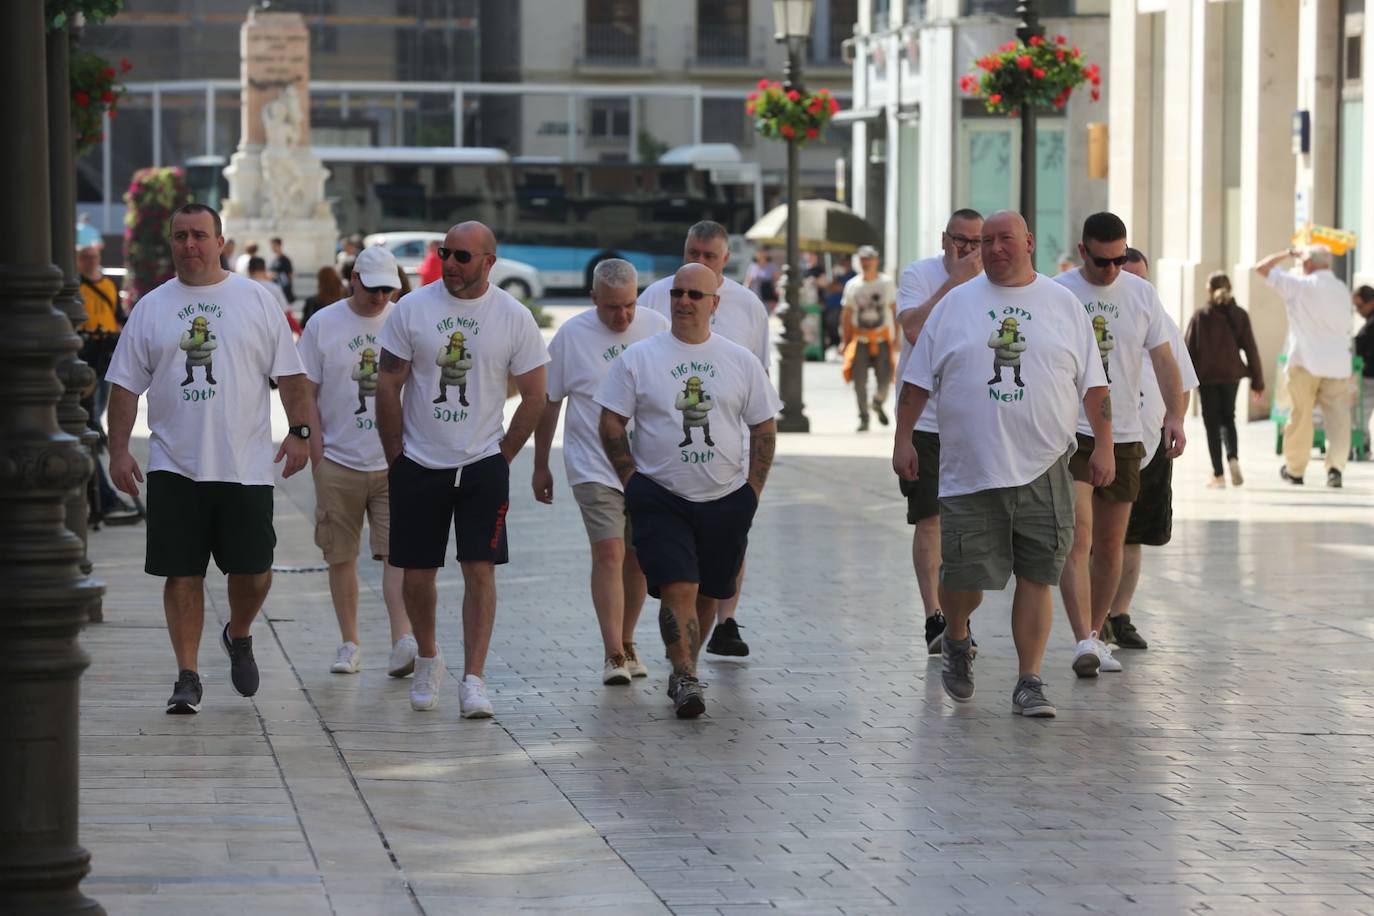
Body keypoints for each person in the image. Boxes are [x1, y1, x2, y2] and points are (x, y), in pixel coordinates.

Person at [892, 210, 1113, 718]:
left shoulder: (1063, 305)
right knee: (965, 582)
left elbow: (1095, 385)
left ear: (1029, 242)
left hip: (1046, 466)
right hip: (971, 468)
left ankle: (1029, 679)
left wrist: (1102, 445)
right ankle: (957, 632)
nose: (992, 249)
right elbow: (918, 381)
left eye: (1003, 240)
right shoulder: (954, 306)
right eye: (984, 241)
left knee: (1038, 575)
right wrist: (904, 439)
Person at [104, 203, 312, 714]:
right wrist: (117, 449)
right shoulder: (152, 307)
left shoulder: (256, 300)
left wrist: (301, 432)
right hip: (175, 465)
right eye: (180, 237)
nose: (190, 245)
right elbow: (125, 385)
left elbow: (291, 375)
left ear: (221, 242)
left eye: (200, 235)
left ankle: (238, 633)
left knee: (255, 571)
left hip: (244, 465)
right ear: (171, 243)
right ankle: (187, 675)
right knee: (182, 574)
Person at [376, 221, 549, 717]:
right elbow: (387, 385)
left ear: (489, 262)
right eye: (444, 253)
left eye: (462, 256)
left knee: (480, 570)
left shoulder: (513, 317)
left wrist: (504, 455)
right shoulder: (412, 308)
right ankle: (429, 657)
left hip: (481, 464)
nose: (450, 263)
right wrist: (396, 457)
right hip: (419, 462)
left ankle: (474, 678)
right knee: (416, 575)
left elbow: (536, 394)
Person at [596, 263, 780, 718]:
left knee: (708, 592)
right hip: (660, 495)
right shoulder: (640, 357)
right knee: (678, 587)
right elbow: (611, 419)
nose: (683, 301)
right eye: (677, 292)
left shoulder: (740, 360)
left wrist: (752, 491)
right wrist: (630, 480)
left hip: (725, 498)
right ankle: (684, 675)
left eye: (695, 295)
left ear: (714, 303)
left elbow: (764, 427)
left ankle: (688, 670)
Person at [1054, 212, 1185, 679]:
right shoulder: (1059, 292)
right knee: (1079, 537)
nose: (1112, 270)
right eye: (1103, 261)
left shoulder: (1141, 295)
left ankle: (1095, 630)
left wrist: (1175, 415)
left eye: (1120, 260)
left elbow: (1166, 360)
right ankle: (1082, 639)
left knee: (1112, 544)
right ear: (1083, 251)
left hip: (1127, 433)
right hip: (1072, 434)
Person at [532, 259, 669, 685]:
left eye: (629, 305)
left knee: (639, 559)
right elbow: (549, 401)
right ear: (594, 299)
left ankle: (628, 641)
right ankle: (612, 652)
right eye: (612, 307)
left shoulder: (657, 326)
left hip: (648, 466)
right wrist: (540, 465)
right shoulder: (571, 336)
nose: (623, 316)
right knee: (609, 551)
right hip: (592, 463)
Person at [637, 220, 770, 658]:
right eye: (691, 252)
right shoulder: (657, 295)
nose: (697, 262)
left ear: (725, 261)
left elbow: (761, 393)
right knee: (677, 577)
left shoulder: (749, 307)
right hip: (664, 469)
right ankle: (683, 671)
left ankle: (725, 619)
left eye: (708, 256)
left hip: (728, 464)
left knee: (720, 563)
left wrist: (752, 485)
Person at [296, 245, 417, 678]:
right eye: (373, 288)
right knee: (340, 556)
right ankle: (350, 642)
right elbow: (305, 389)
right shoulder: (323, 323)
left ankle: (402, 639)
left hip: (394, 461)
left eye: (389, 289)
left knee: (397, 555)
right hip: (339, 461)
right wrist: (315, 451)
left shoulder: (404, 319)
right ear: (354, 280)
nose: (381, 297)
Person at [894, 208, 984, 653]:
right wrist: (958, 281)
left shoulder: (994, 285)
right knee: (930, 519)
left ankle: (959, 621)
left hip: (971, 419)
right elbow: (913, 329)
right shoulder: (920, 275)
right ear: (944, 238)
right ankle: (934, 616)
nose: (965, 250)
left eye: (975, 243)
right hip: (926, 420)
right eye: (958, 240)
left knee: (966, 525)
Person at [1103, 248, 1199, 651]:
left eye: (1144, 280)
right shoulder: (1100, 320)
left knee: (1134, 536)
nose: (1139, 288)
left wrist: (1173, 422)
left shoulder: (1161, 321)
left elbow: (1184, 382)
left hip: (1150, 443)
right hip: (1102, 443)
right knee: (1096, 539)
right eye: (1131, 279)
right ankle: (1094, 621)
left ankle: (1119, 614)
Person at [1256, 245, 1354, 487]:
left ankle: (1296, 469)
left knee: (1301, 416)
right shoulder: (1342, 289)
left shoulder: (1299, 286)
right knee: (1339, 420)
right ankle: (1335, 469)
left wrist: (1289, 252)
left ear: (1308, 263)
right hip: (1337, 364)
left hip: (1304, 362)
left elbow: (1262, 268)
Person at [77, 243, 142, 525]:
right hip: (82, 362)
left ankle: (103, 494)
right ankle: (103, 496)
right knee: (89, 424)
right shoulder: (74, 286)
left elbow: (117, 317)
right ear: (77, 261)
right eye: (85, 258)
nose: (91, 261)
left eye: (94, 257)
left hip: (104, 360)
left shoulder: (106, 284)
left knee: (95, 421)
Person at [1184, 272, 1266, 488]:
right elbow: (1251, 348)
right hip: (1232, 375)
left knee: (1212, 424)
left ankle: (1218, 474)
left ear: (1209, 290)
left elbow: (1187, 351)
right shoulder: (1239, 315)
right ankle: (1233, 457)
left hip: (1207, 377)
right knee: (1228, 418)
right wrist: (1258, 382)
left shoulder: (1200, 316)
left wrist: (1182, 382)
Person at [840, 245, 898, 432]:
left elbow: (894, 309)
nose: (866, 263)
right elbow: (847, 314)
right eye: (862, 259)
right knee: (859, 381)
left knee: (886, 377)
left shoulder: (886, 283)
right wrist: (845, 339)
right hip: (860, 339)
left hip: (881, 337)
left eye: (869, 259)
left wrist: (897, 336)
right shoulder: (853, 285)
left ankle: (878, 402)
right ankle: (863, 417)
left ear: (876, 260)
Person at [248, 255, 301, 335]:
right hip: (270, 333)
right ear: (264, 269)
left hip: (248, 331)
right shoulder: (274, 288)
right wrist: (299, 331)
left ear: (249, 270)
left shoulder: (241, 288)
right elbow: (286, 313)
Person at [1354, 285, 1374, 454]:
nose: (1358, 311)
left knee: (1362, 412)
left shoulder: (1370, 325)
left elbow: (1361, 343)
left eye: (1360, 306)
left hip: (1371, 375)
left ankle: (1363, 445)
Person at [744, 247, 779, 314]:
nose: (761, 254)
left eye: (763, 252)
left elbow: (777, 280)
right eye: (759, 252)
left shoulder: (772, 266)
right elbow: (748, 282)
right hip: (755, 296)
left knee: (766, 315)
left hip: (768, 297)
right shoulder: (753, 266)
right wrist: (744, 294)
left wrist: (776, 294)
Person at [269, 237, 295, 304]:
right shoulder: (275, 259)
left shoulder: (285, 260)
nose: (272, 247)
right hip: (275, 289)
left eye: (274, 245)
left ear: (279, 245)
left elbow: (290, 275)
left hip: (283, 290)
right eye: (272, 245)